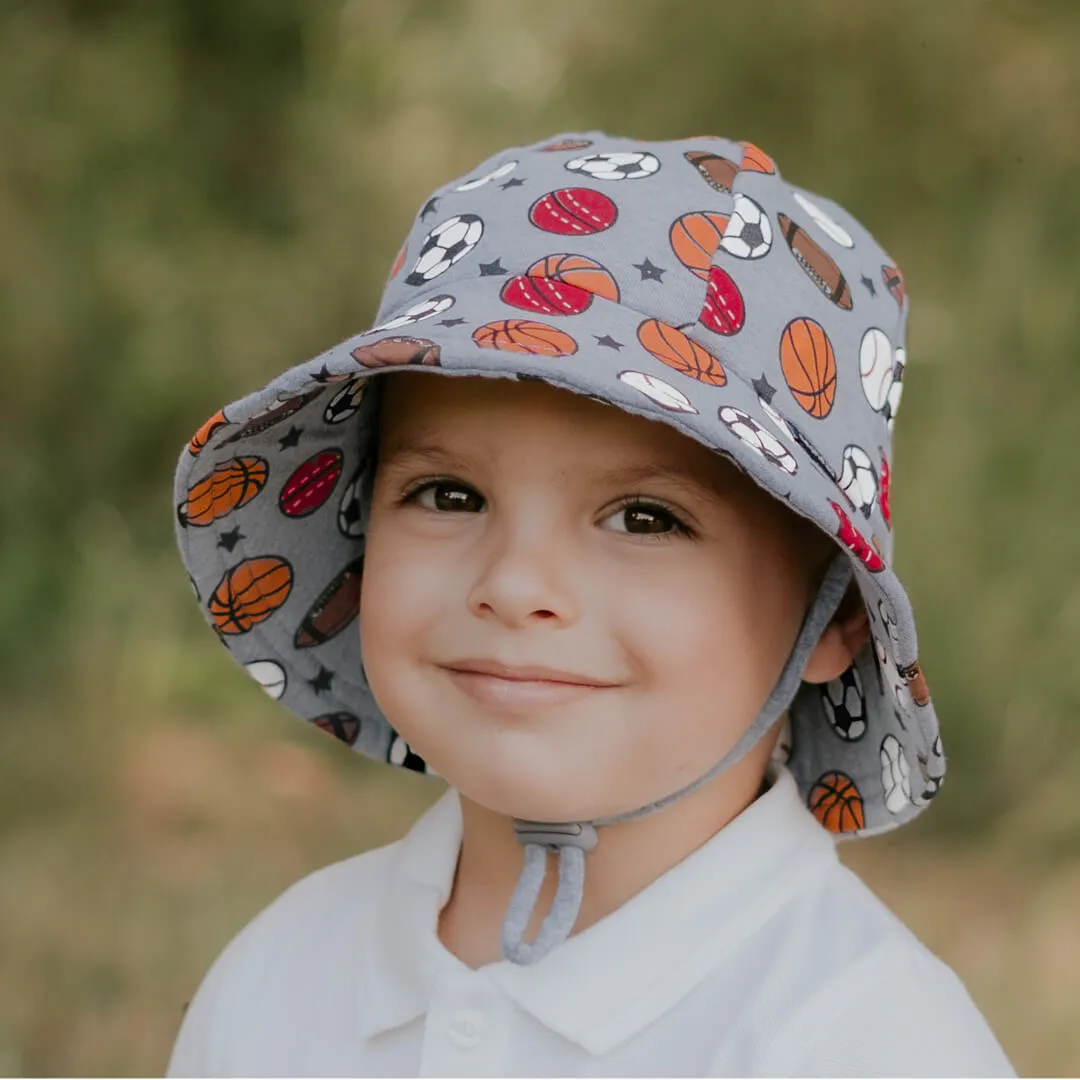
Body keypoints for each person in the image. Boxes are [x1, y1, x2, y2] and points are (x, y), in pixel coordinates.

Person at [166, 132, 1014, 1076]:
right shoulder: (281, 979)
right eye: (450, 495)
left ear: (837, 615)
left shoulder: (867, 1042)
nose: (516, 585)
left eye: (645, 517)